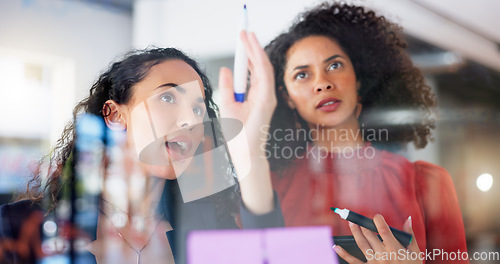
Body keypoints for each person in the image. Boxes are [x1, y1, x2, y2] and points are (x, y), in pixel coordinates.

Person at [219, 2, 468, 264]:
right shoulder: (267, 188)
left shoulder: (427, 184)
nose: (322, 83)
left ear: (359, 78)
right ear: (286, 97)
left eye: (335, 66)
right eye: (302, 74)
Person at [0, 45, 283, 264]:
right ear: (114, 115)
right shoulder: (15, 226)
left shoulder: (211, 222)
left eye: (199, 109)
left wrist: (251, 152)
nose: (191, 121)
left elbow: (273, 253)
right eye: (168, 98)